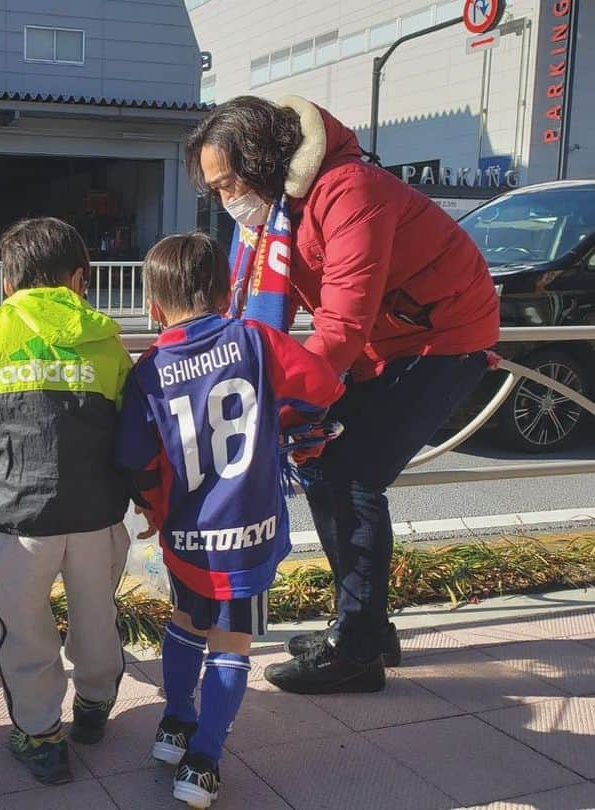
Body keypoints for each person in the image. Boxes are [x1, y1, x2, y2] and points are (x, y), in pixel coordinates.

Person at [185, 96, 500, 694]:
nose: (227, 201)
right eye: (215, 190)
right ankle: (364, 626)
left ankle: (356, 651)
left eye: (230, 184)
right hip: (393, 339)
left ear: (263, 162)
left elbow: (342, 325)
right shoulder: (284, 209)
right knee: (321, 465)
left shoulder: (350, 189)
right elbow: (287, 317)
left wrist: (271, 402)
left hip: (446, 335)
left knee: (354, 475)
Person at [116, 232, 344, 808]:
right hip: (250, 530)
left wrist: (152, 506)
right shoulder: (256, 338)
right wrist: (285, 417)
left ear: (153, 305)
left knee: (186, 620)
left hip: (187, 533)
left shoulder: (148, 369)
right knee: (232, 641)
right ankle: (205, 761)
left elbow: (136, 457)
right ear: (227, 293)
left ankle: (173, 725)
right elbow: (321, 386)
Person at [0, 217, 133, 785]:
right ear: (79, 278)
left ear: (6, 284)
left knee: (23, 629)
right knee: (96, 617)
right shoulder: (107, 337)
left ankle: (41, 737)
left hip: (20, 521)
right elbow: (133, 430)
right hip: (98, 519)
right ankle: (93, 710)